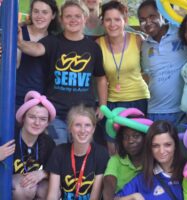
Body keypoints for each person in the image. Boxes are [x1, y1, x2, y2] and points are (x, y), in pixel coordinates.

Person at [17, 0, 107, 145]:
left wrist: (103, 105)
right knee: (58, 152)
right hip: (56, 112)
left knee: (82, 154)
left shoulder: (93, 47)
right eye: (68, 16)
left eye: (77, 16)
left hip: (84, 113)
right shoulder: (52, 41)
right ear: (61, 19)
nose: (73, 20)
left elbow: (101, 78)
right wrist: (20, 43)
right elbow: (36, 49)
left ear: (85, 18)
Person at [97, 1, 149, 155]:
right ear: (103, 22)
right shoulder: (98, 44)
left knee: (139, 147)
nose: (113, 24)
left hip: (139, 99)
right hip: (113, 102)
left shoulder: (138, 40)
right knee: (113, 148)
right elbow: (100, 78)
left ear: (125, 20)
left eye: (117, 19)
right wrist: (102, 105)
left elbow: (150, 68)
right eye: (108, 20)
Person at [138, 0, 187, 126]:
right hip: (154, 111)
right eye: (143, 19)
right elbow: (147, 74)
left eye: (152, 16)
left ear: (162, 14)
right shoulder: (145, 46)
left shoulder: (182, 33)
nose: (148, 22)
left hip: (182, 111)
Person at [46, 104, 109, 199]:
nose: (83, 130)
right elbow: (53, 194)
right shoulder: (59, 152)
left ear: (93, 129)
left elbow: (95, 197)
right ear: (70, 128)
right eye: (78, 125)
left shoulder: (101, 153)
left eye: (87, 125)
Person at [116, 120, 184, 200]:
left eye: (167, 145)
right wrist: (133, 197)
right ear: (150, 148)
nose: (161, 151)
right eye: (155, 146)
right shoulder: (143, 178)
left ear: (175, 145)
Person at [15, 0, 60, 110]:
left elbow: (36, 50)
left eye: (45, 12)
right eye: (36, 11)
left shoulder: (55, 39)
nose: (39, 16)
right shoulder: (18, 31)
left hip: (40, 102)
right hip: (14, 96)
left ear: (53, 15)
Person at [13, 90, 56, 200]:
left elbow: (57, 169)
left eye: (43, 119)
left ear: (47, 123)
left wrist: (42, 173)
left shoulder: (48, 142)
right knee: (25, 188)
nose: (37, 123)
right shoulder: (9, 135)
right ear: (23, 118)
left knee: (48, 189)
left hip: (31, 185)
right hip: (9, 186)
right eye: (32, 117)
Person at [103, 111, 151, 200]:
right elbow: (109, 182)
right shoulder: (116, 160)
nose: (130, 141)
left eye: (136, 136)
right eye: (125, 137)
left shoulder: (151, 160)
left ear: (145, 139)